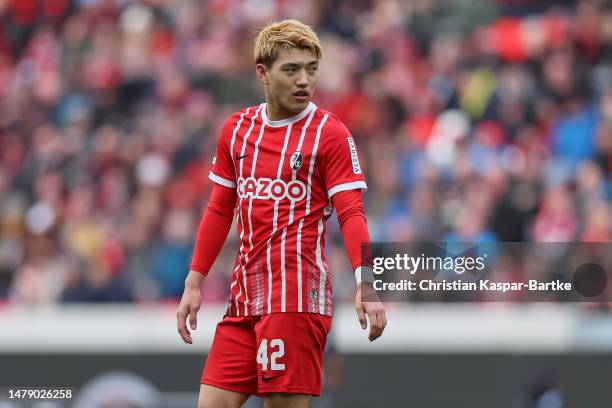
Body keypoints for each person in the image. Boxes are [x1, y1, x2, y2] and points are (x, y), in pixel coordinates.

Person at [176, 19, 387, 408]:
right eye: (291, 70)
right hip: (243, 302)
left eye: (311, 69)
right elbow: (220, 209)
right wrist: (194, 281)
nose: (304, 80)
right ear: (263, 72)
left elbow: (352, 212)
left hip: (295, 302)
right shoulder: (237, 130)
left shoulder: (330, 134)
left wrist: (366, 281)